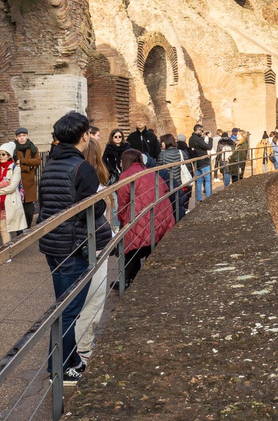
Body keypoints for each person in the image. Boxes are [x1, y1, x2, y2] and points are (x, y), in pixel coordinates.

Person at [34, 112, 105, 383]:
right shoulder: (82, 167)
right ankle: (61, 368)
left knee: (63, 305)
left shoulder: (51, 164)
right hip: (74, 246)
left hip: (52, 244)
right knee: (69, 311)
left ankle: (72, 358)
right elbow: (92, 207)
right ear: (84, 135)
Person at [113, 149, 174, 286]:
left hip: (141, 216)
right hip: (162, 214)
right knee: (149, 244)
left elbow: (123, 202)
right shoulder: (150, 172)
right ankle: (148, 278)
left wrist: (123, 221)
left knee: (130, 246)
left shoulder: (126, 175)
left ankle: (127, 279)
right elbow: (165, 188)